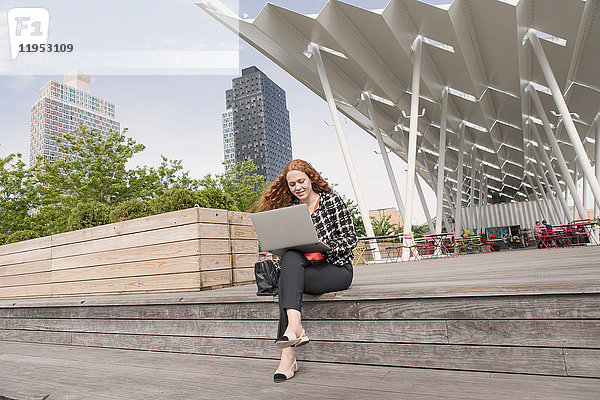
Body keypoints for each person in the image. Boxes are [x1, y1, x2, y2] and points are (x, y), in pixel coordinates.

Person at [254, 159, 357, 383]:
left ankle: (288, 355)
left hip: (336, 269)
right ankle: (293, 332)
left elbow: (351, 239)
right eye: (292, 184)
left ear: (311, 179)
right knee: (290, 257)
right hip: (306, 270)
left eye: (301, 181)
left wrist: (320, 245)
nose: (297, 187)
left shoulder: (332, 201)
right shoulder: (291, 210)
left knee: (286, 282)